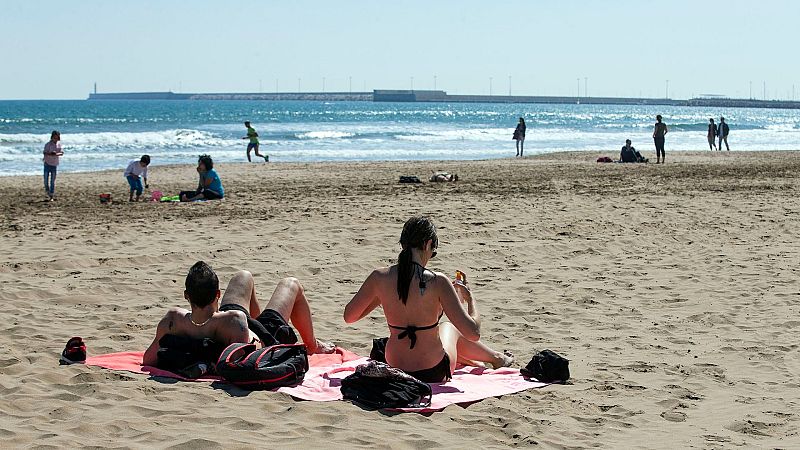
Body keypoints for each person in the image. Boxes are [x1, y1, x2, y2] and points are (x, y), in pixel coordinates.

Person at [344, 216, 513, 383]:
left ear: (403, 244)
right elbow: (473, 333)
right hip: (434, 371)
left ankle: (493, 358)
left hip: (395, 367)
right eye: (433, 250)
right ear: (427, 244)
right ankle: (496, 358)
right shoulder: (437, 281)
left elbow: (349, 317)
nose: (431, 255)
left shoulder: (379, 277)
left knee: (433, 333)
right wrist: (470, 299)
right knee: (447, 327)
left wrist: (380, 295)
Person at [143, 261, 334, 367]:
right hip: (254, 331)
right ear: (217, 294)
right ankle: (312, 345)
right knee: (291, 284)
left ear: (186, 295)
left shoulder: (173, 320)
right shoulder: (235, 321)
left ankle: (257, 317)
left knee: (243, 276)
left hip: (221, 321)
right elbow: (242, 362)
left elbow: (148, 359)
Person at [43, 130, 63, 201]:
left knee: (52, 181)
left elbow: (61, 153)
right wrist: (50, 153)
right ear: (52, 137)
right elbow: (44, 152)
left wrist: (56, 154)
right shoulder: (48, 144)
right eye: (54, 138)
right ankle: (48, 191)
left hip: (54, 164)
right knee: (45, 180)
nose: (56, 139)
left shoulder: (58, 144)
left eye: (57, 138)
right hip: (47, 163)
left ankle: (51, 195)